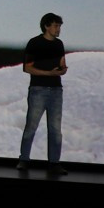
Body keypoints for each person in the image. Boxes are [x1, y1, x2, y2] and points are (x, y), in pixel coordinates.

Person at [16, 13, 67, 175]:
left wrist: (62, 70)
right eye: (56, 25)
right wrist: (48, 74)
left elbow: (62, 63)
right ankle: (24, 159)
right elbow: (27, 67)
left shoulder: (59, 44)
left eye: (59, 26)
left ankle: (54, 163)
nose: (58, 29)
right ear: (46, 26)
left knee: (55, 129)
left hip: (56, 91)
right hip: (38, 89)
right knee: (31, 125)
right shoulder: (35, 43)